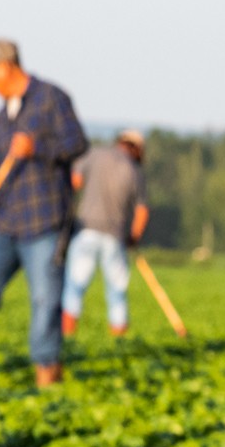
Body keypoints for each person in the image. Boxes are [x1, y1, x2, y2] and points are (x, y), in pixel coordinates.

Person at [0, 39, 87, 385]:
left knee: (45, 302)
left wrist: (37, 148)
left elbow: (77, 144)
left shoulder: (52, 98)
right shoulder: (3, 117)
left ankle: (47, 376)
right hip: (3, 223)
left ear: (4, 67)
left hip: (43, 221)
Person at [62, 129, 149, 337]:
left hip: (85, 230)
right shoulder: (134, 170)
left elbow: (74, 182)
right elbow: (142, 211)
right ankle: (118, 338)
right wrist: (133, 237)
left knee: (74, 286)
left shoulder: (95, 155)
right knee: (117, 290)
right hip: (115, 236)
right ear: (137, 149)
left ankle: (66, 336)